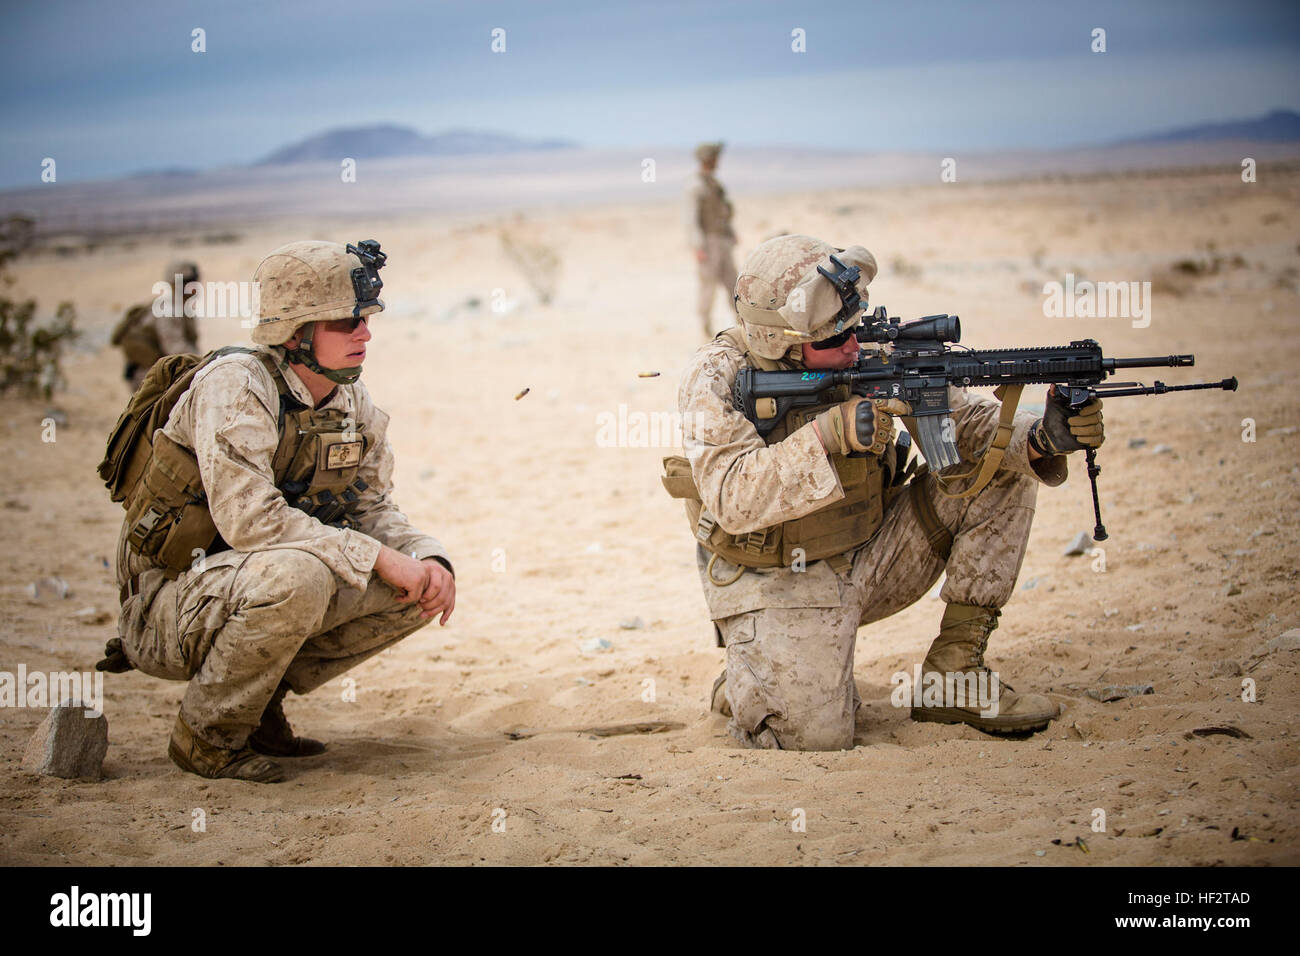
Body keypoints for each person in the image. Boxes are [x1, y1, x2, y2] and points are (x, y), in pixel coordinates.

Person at [665, 234, 1105, 751]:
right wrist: (829, 435)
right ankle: (748, 669)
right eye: (833, 341)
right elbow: (733, 496)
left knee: (998, 468)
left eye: (855, 329)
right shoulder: (715, 376)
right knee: (816, 738)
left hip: (874, 554)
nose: (854, 347)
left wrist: (1042, 437)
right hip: (775, 580)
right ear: (778, 340)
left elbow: (968, 427)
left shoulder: (870, 354)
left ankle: (954, 672)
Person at [101, 240, 455, 782]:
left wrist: (425, 557)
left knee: (419, 586)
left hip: (247, 586)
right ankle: (206, 737)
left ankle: (257, 708)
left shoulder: (345, 398)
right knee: (302, 576)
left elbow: (370, 505)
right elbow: (252, 521)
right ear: (295, 333)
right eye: (344, 322)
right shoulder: (236, 385)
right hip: (169, 604)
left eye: (365, 319)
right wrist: (379, 558)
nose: (364, 333)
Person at [111, 260, 202, 390]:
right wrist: (206, 363)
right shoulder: (168, 308)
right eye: (186, 282)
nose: (193, 287)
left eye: (194, 281)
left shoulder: (181, 305)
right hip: (150, 376)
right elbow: (176, 350)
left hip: (160, 372)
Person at [686, 141, 738, 338]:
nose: (718, 161)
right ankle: (705, 327)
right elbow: (691, 219)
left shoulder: (714, 184)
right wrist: (698, 246)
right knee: (708, 285)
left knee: (733, 283)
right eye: (715, 157)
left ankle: (740, 323)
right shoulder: (696, 186)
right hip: (708, 243)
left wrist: (730, 233)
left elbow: (723, 212)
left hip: (722, 241)